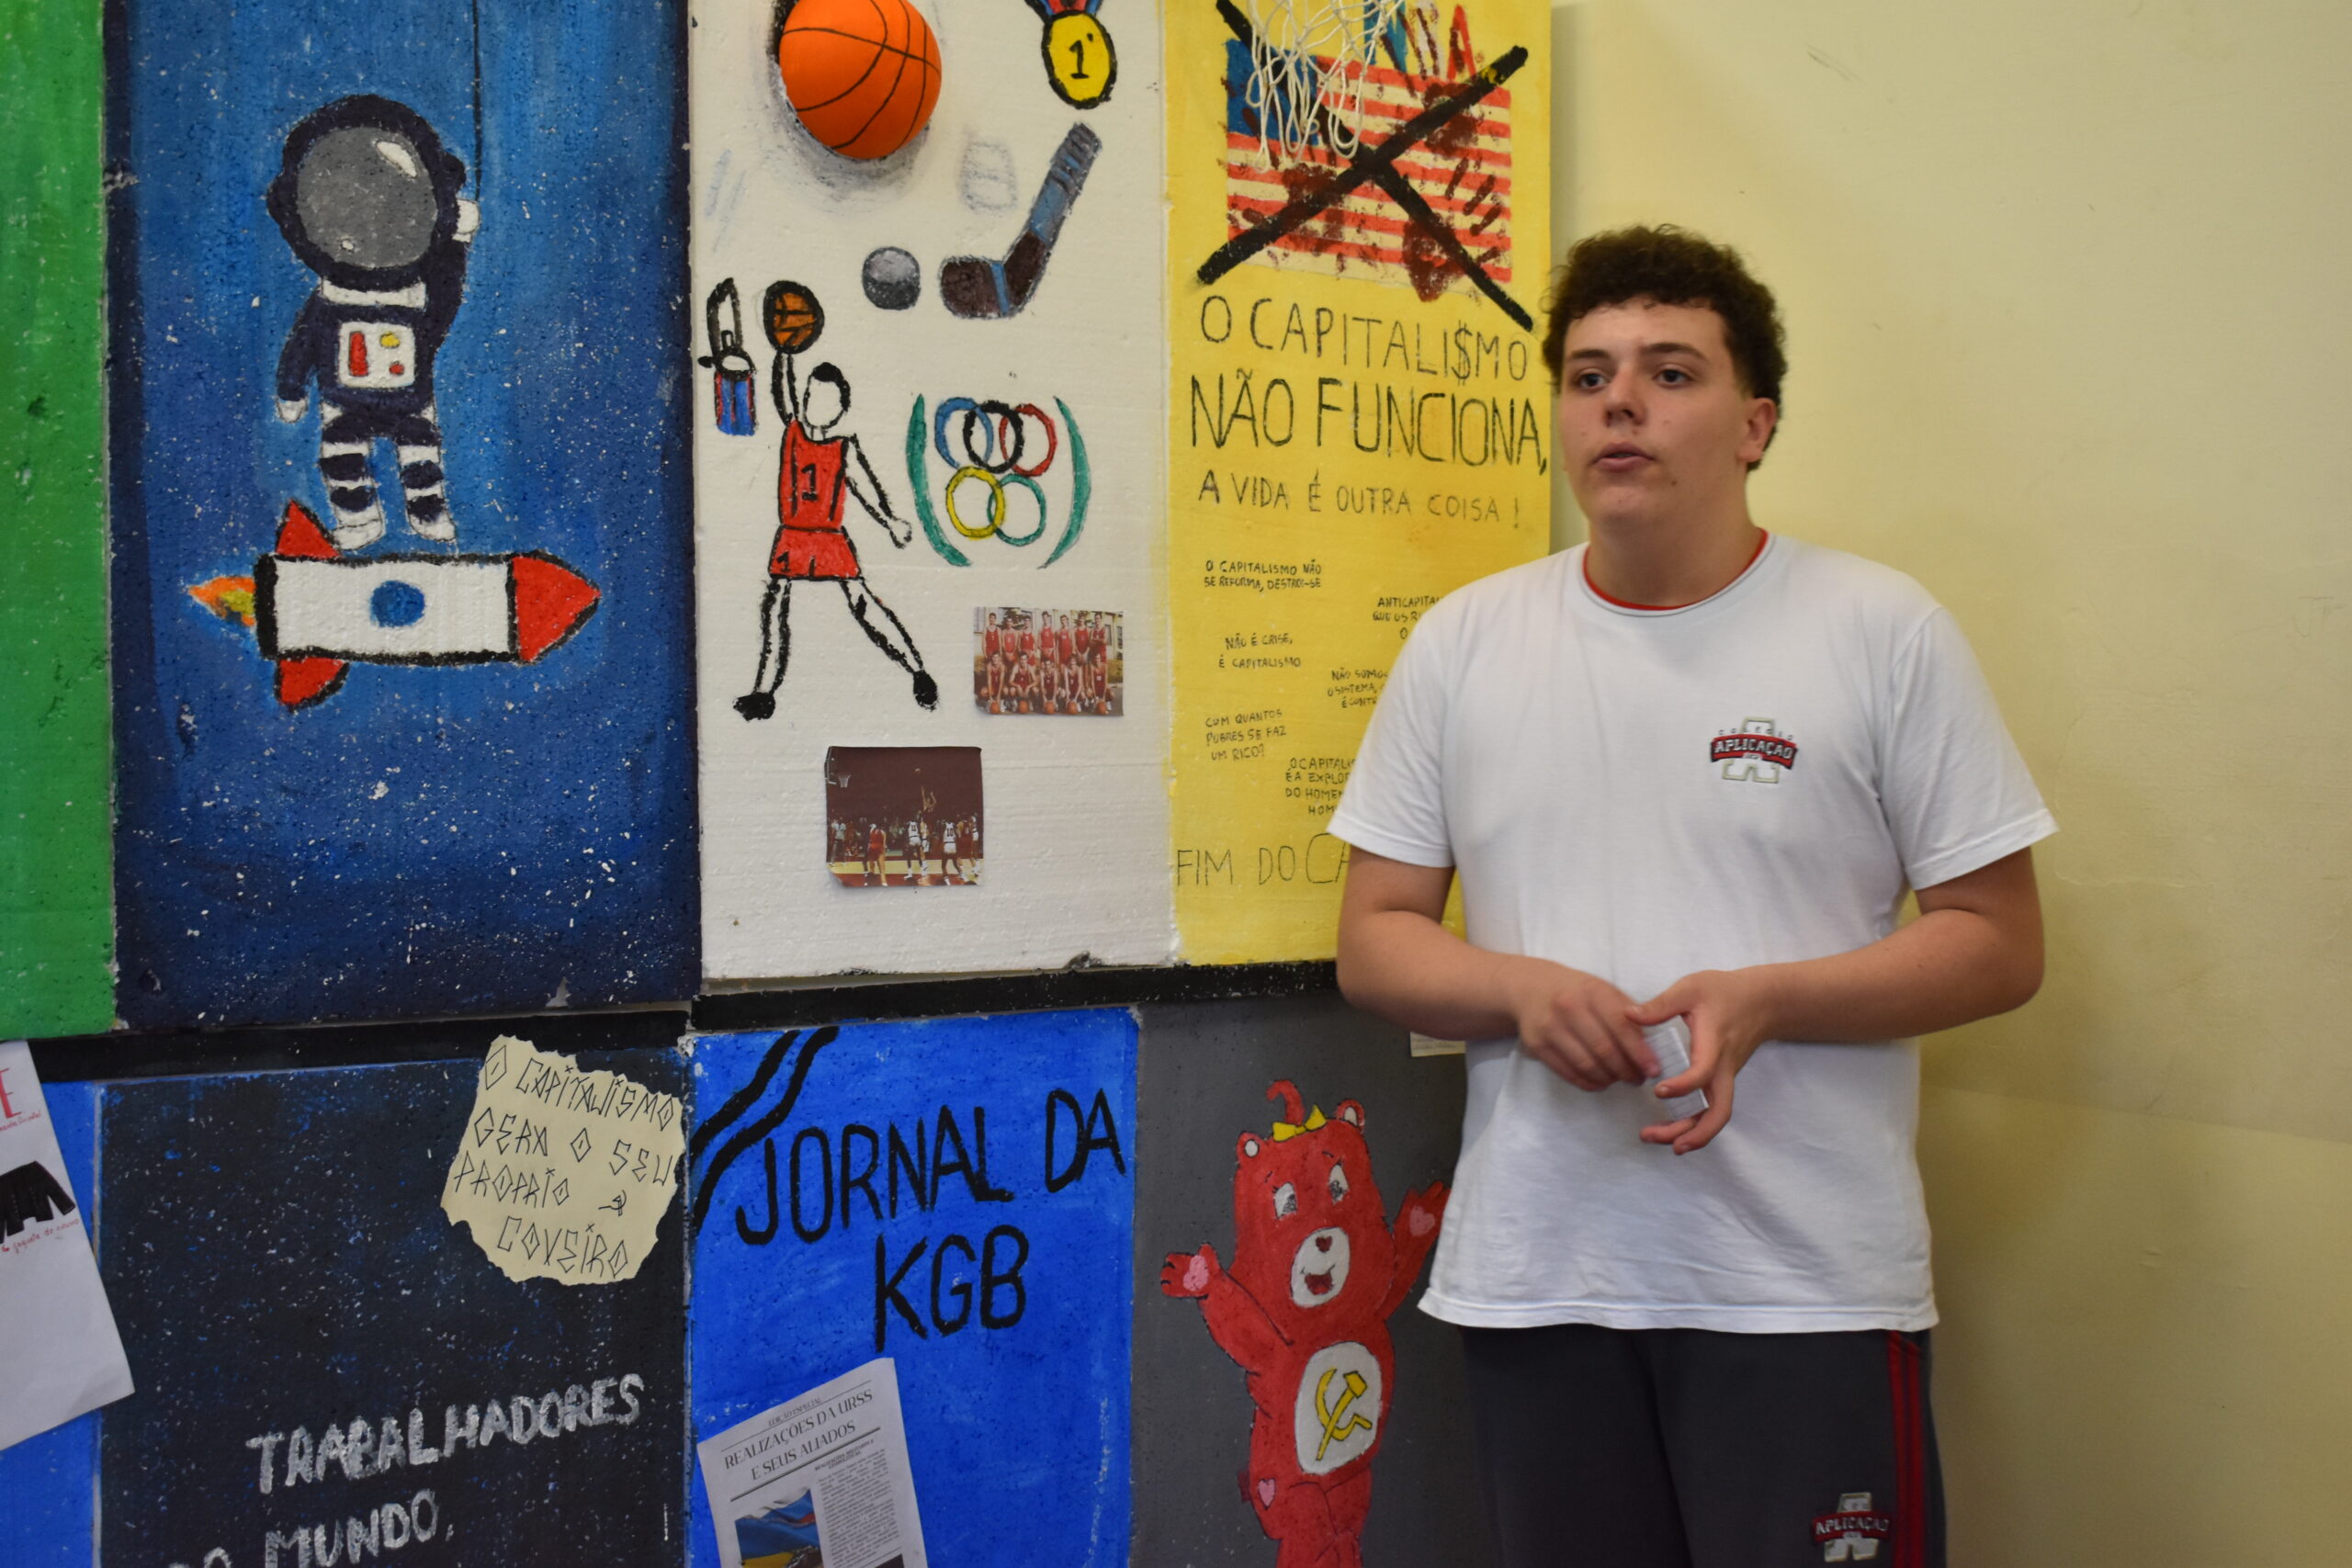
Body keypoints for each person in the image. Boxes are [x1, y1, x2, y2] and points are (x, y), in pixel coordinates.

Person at [1328, 225, 2053, 1568]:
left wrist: (1768, 1000)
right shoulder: (1465, 641)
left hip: (1801, 1288)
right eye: (1588, 374)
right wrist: (1519, 989)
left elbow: (1999, 943)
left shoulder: (1879, 630)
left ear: (1754, 423)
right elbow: (1374, 941)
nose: (1621, 401)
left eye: (1670, 372)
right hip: (1539, 1277)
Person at [735, 330, 937, 719]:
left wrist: (890, 521)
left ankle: (918, 670)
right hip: (793, 534)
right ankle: (763, 692)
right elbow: (782, 392)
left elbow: (867, 490)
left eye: (825, 400)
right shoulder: (793, 433)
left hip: (828, 537)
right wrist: (783, 353)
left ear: (840, 409)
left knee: (862, 603)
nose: (814, 405)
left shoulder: (844, 449)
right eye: (810, 396)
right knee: (775, 606)